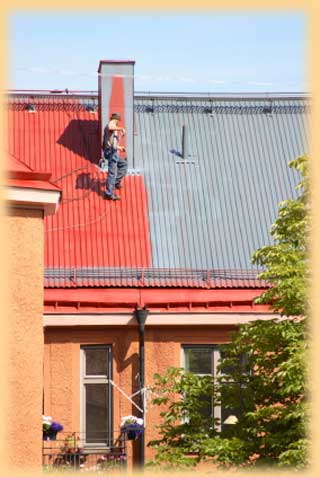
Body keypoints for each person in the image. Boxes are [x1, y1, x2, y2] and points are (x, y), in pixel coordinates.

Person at [102, 112, 128, 200]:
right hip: (111, 153)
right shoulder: (111, 124)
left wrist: (120, 148)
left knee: (123, 164)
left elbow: (113, 143)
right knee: (112, 173)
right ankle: (109, 193)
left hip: (114, 151)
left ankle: (115, 182)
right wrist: (121, 128)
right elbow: (110, 126)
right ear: (116, 120)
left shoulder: (114, 130)